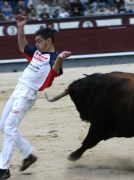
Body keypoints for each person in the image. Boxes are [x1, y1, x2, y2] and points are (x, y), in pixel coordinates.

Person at [0, 14, 71, 180]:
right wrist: (20, 27)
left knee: (9, 126)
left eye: (39, 41)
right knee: (3, 125)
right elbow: (23, 46)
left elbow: (56, 68)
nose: (36, 44)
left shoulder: (53, 58)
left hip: (27, 94)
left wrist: (60, 58)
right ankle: (27, 155)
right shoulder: (37, 52)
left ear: (48, 41)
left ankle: (3, 168)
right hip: (19, 89)